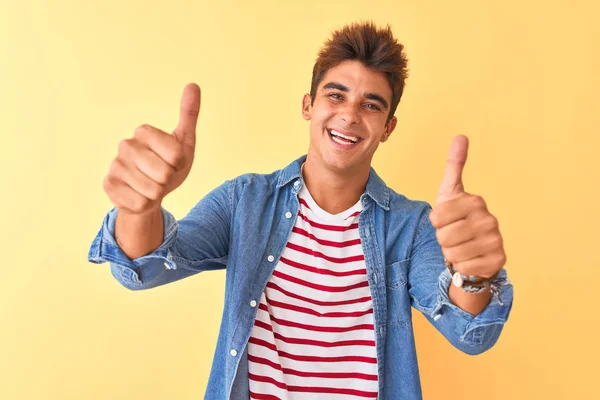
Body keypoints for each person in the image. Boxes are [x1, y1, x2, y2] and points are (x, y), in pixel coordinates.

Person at [88, 21, 513, 400]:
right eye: (336, 95)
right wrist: (141, 208)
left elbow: (468, 330)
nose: (349, 115)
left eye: (371, 104)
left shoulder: (412, 226)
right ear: (308, 106)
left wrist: (473, 275)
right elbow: (148, 267)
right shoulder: (246, 203)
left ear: (388, 128)